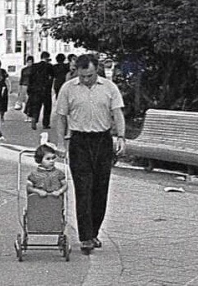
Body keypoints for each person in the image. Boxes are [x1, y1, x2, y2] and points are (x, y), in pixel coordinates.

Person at [56, 54, 126, 254]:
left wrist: (121, 137)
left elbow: (118, 114)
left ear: (97, 71)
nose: (86, 79)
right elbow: (61, 117)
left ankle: (93, 232)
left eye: (90, 75)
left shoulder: (109, 88)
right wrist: (61, 143)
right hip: (79, 142)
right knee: (83, 189)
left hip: (102, 142)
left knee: (100, 189)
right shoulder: (68, 88)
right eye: (83, 76)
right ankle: (85, 237)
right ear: (77, 71)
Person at [26, 51, 55, 130]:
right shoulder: (49, 66)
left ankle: (34, 118)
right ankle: (45, 123)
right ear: (47, 58)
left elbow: (30, 78)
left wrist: (30, 89)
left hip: (35, 89)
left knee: (36, 106)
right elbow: (52, 77)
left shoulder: (34, 66)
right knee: (47, 107)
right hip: (45, 90)